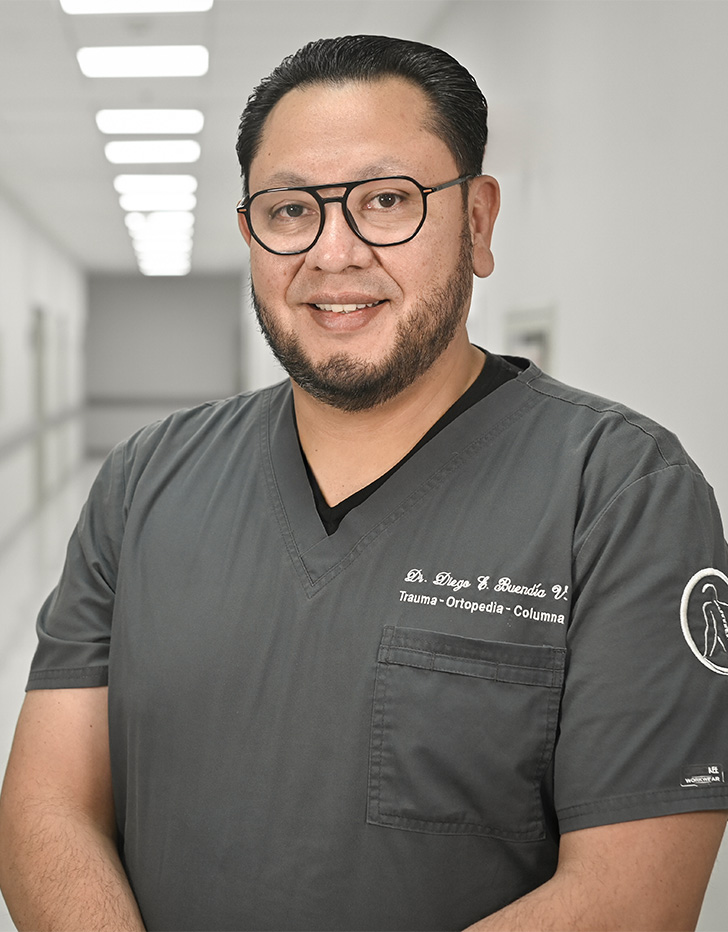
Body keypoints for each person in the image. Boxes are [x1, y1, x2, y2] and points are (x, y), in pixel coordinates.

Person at [0, 33, 727, 932]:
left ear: (479, 221)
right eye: (290, 210)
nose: (333, 253)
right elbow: (46, 809)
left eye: (388, 200)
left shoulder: (620, 494)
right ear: (252, 237)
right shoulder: (147, 480)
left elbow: (634, 896)